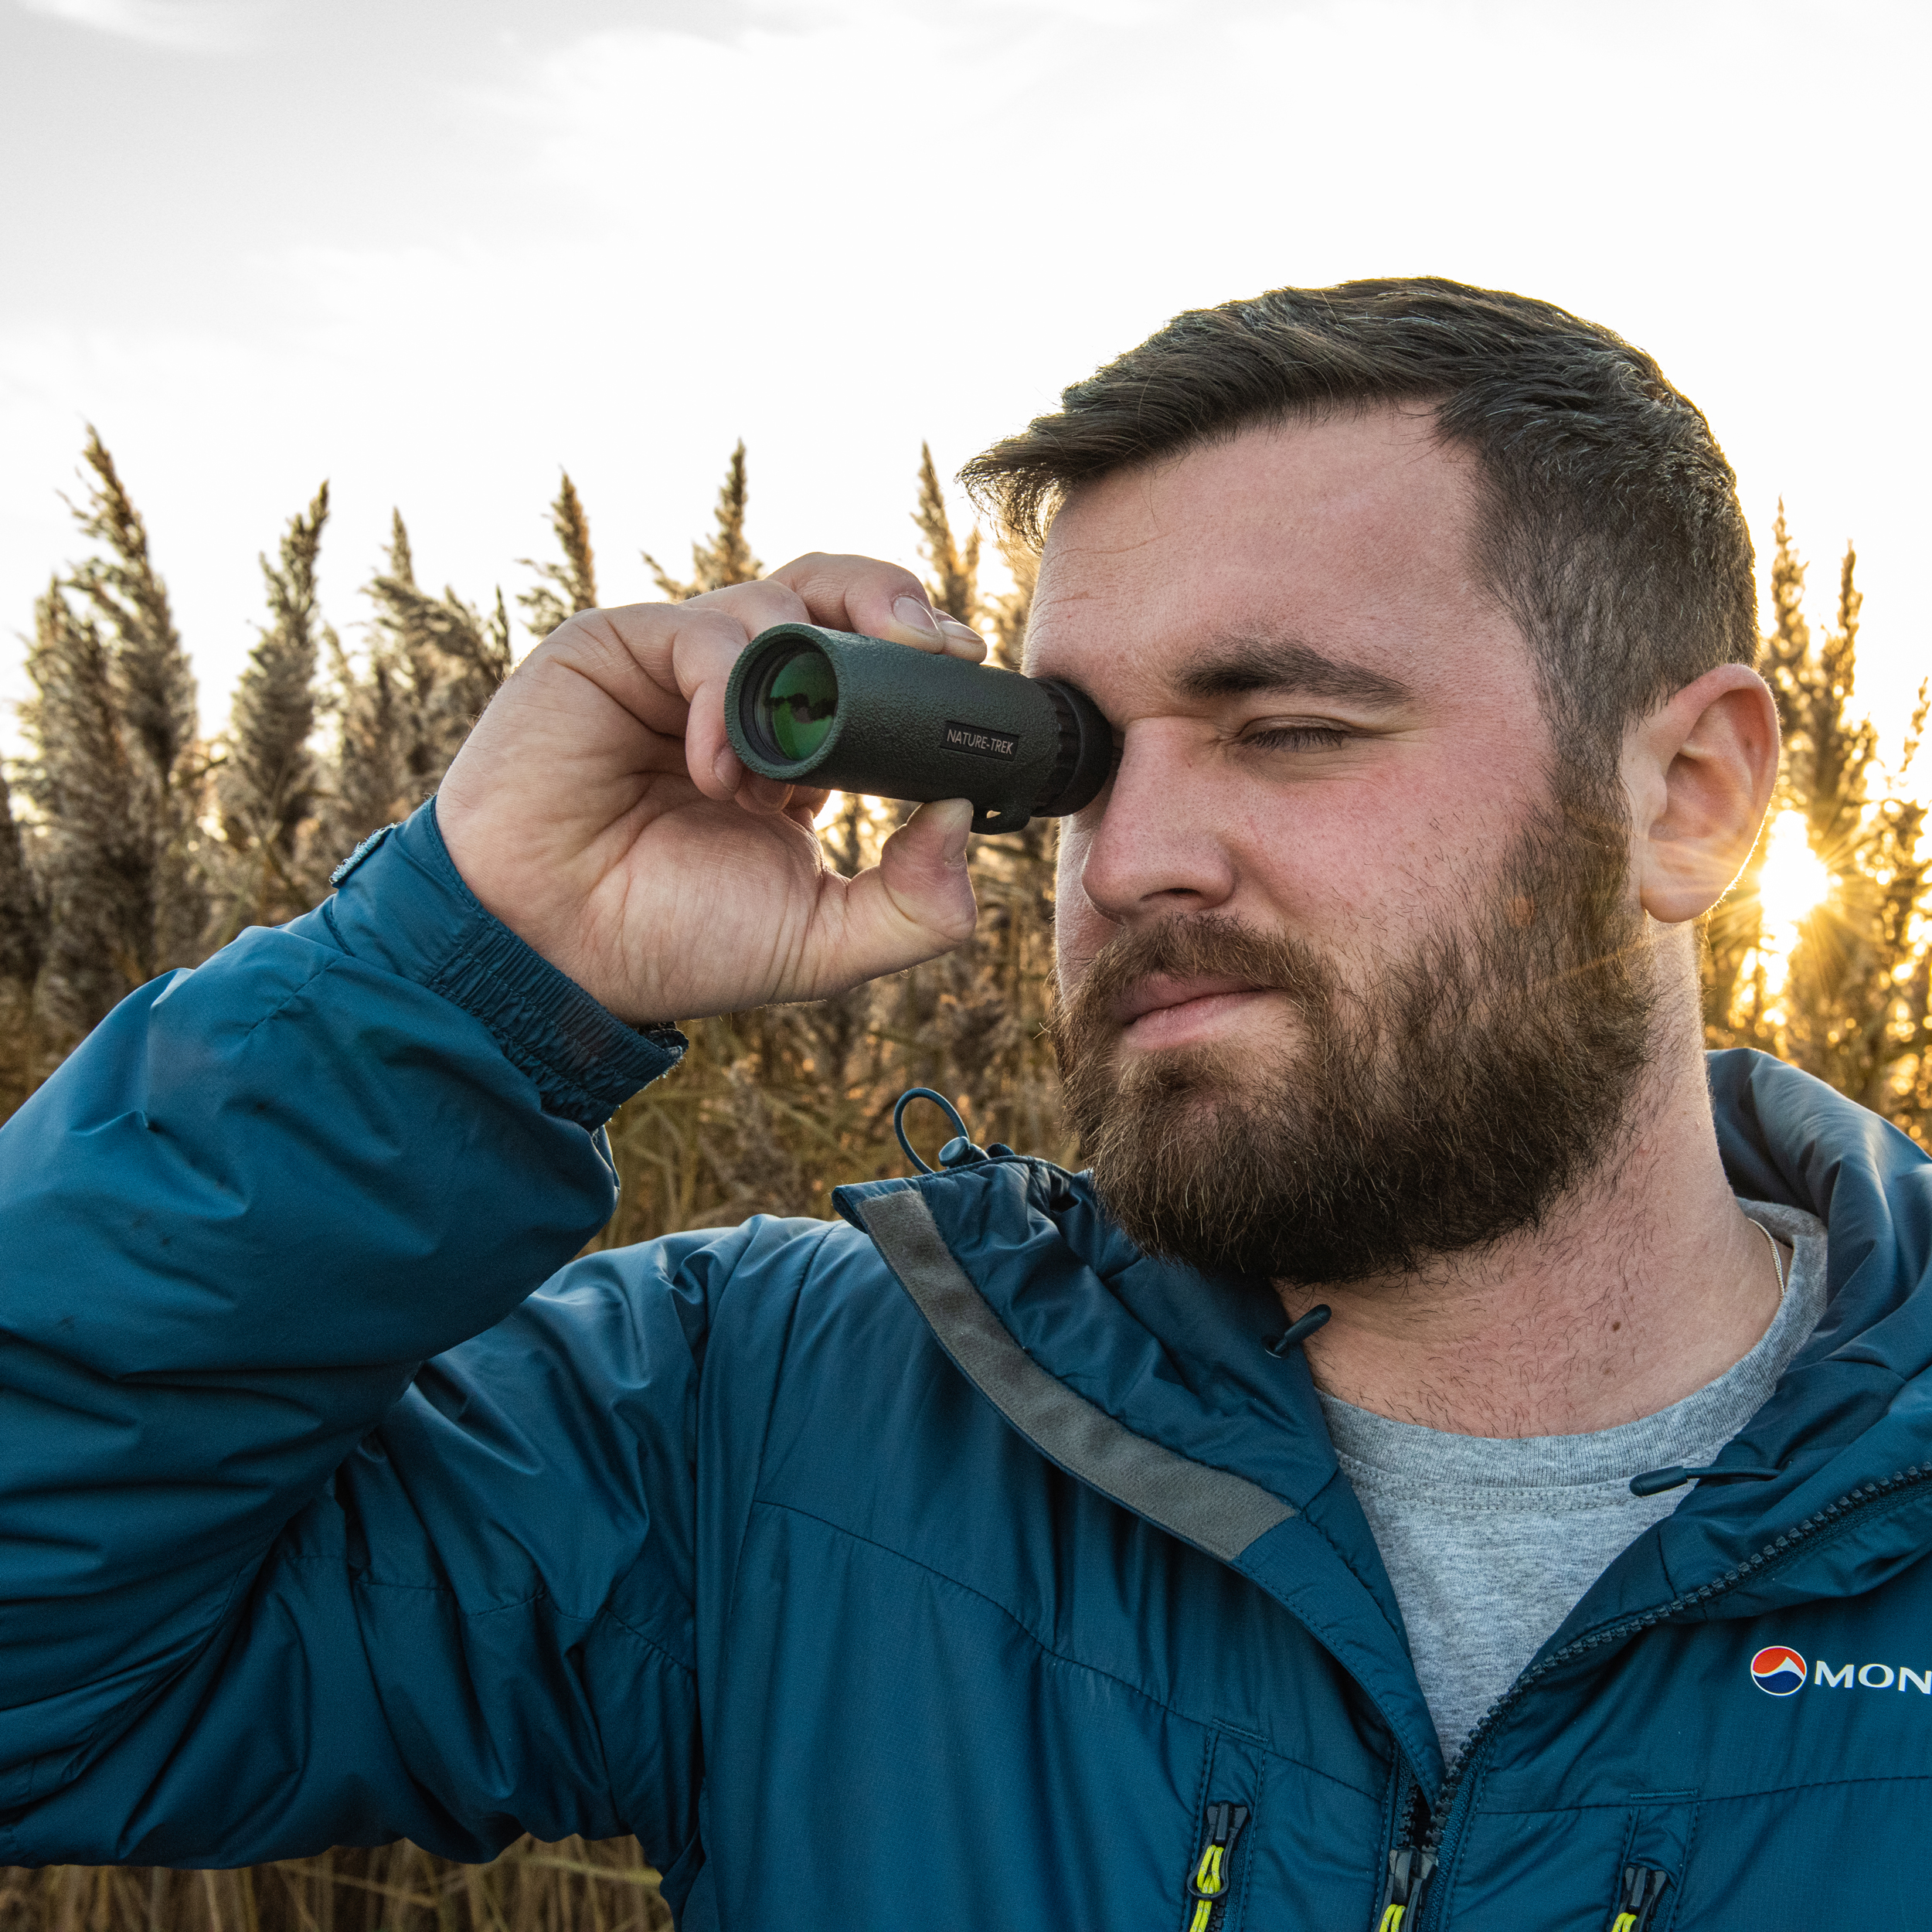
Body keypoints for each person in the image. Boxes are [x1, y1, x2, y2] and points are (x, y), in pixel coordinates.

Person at [3, 279, 1927, 1932]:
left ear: (1688, 798)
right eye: (1074, 765)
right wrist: (467, 969)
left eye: (1288, 729)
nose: (1128, 860)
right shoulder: (762, 1418)